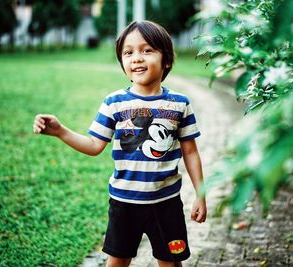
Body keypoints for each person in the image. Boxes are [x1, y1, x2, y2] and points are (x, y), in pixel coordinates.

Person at [33, 20, 206, 267]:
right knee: (116, 262)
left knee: (170, 262)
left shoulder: (180, 104)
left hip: (166, 203)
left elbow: (190, 151)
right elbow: (94, 145)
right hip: (124, 203)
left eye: (147, 50)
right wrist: (61, 131)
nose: (136, 58)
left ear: (166, 60)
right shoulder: (114, 102)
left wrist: (200, 194)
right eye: (128, 52)